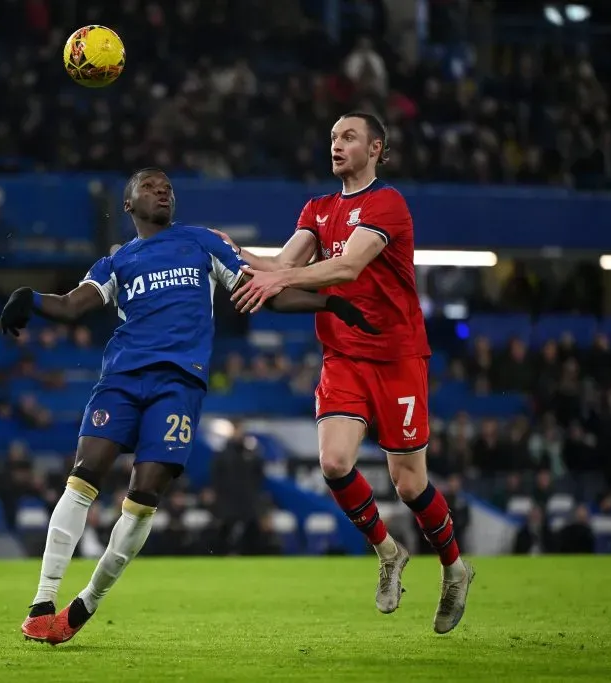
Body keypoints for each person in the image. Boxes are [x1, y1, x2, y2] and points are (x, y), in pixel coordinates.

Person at [0, 168, 378, 645]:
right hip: (120, 379)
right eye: (150, 185)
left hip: (178, 386)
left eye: (168, 187)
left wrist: (331, 304)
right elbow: (73, 305)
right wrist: (29, 298)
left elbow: (267, 295)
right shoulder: (116, 263)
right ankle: (42, 602)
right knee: (85, 471)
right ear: (128, 203)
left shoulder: (201, 243)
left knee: (144, 496)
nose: (162, 190)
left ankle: (85, 604)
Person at [219, 112, 474, 634]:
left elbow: (347, 268)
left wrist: (283, 276)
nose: (336, 144)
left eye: (349, 137)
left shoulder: (388, 204)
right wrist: (230, 252)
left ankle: (454, 568)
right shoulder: (318, 208)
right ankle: (388, 552)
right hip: (344, 357)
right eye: (333, 136)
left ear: (376, 148)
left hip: (399, 357)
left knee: (409, 484)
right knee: (334, 463)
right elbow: (280, 265)